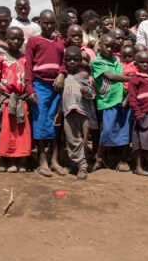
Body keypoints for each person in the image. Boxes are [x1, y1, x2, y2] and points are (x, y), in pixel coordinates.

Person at [25, 10, 66, 177]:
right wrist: (30, 88)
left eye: (51, 23)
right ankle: (42, 161)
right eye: (45, 23)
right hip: (39, 86)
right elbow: (28, 66)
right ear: (40, 23)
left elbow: (64, 61)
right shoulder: (34, 41)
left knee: (56, 123)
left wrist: (62, 74)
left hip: (56, 86)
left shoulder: (60, 42)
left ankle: (55, 160)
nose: (48, 26)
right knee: (40, 123)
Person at [90, 34, 131, 172]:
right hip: (108, 100)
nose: (109, 49)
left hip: (122, 99)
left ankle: (122, 160)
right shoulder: (97, 62)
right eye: (106, 45)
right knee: (107, 130)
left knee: (124, 130)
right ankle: (100, 157)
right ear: (99, 45)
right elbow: (110, 76)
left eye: (112, 47)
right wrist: (128, 79)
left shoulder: (117, 60)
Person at [0, 27, 31, 173]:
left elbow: (28, 81)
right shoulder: (0, 59)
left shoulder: (26, 59)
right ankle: (9, 160)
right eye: (12, 38)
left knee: (22, 132)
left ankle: (22, 161)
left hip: (22, 101)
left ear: (23, 40)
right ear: (6, 40)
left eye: (19, 39)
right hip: (7, 100)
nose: (15, 41)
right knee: (8, 132)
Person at [62, 46, 96, 180]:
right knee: (71, 139)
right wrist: (60, 112)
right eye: (68, 59)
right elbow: (62, 95)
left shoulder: (83, 75)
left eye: (75, 59)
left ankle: (82, 165)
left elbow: (92, 93)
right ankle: (78, 163)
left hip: (83, 112)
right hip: (68, 112)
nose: (71, 62)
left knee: (83, 139)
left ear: (80, 60)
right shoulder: (63, 76)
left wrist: (87, 92)